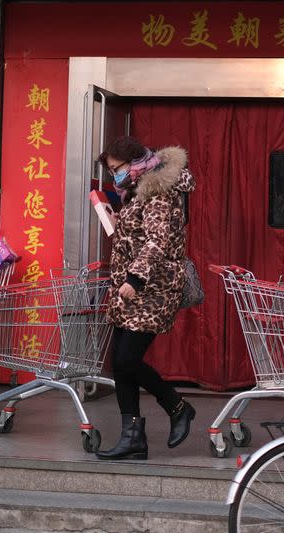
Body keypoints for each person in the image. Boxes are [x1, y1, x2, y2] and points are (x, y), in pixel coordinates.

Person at [95, 136, 196, 461]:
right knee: (120, 364)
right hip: (131, 290)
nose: (115, 176)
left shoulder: (158, 190)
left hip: (151, 289)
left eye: (117, 169)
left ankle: (177, 406)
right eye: (111, 171)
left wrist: (135, 278)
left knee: (126, 360)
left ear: (134, 163)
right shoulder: (137, 191)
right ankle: (132, 437)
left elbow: (157, 240)